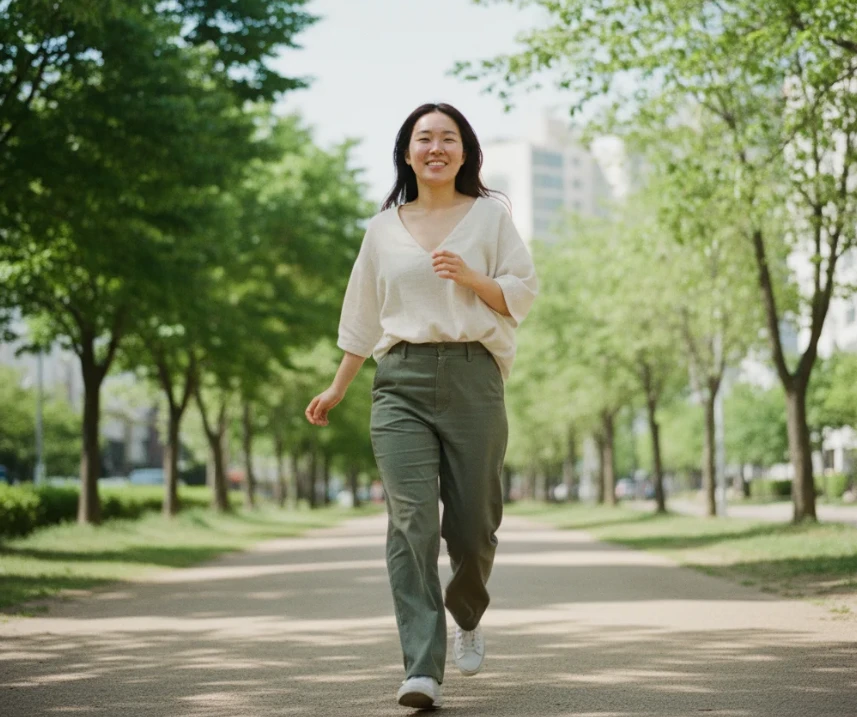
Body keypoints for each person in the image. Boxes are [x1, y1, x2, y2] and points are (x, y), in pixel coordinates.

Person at [305, 102, 538, 710]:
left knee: (474, 525)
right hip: (400, 380)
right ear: (407, 152)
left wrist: (471, 278)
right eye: (424, 138)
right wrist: (337, 387)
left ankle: (467, 611)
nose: (436, 147)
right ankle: (421, 668)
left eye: (448, 138)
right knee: (412, 524)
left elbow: (522, 292)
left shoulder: (489, 217)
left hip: (473, 375)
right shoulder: (383, 228)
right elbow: (361, 315)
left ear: (465, 152)